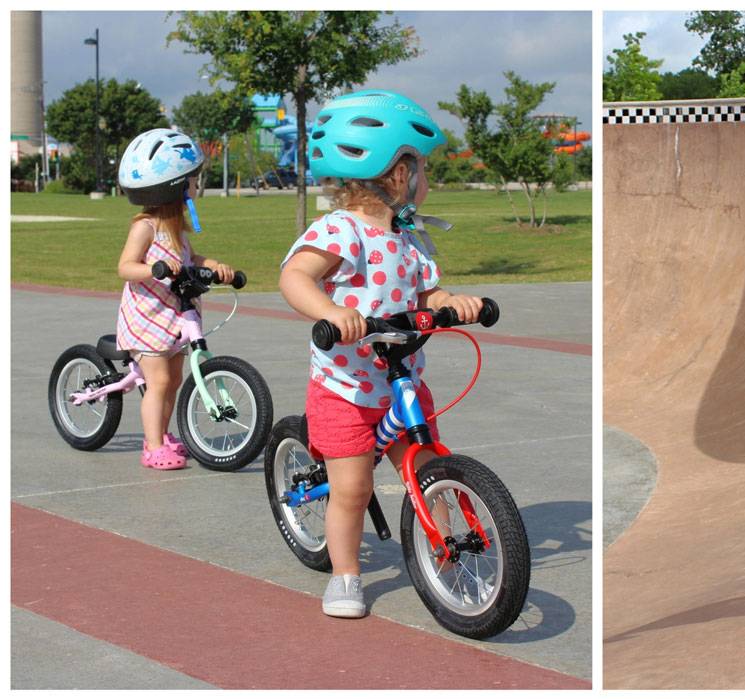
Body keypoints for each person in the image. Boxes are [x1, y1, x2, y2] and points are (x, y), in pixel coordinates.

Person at [279, 90, 483, 619]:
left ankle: (440, 540)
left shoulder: (410, 238)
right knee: (352, 487)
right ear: (395, 172)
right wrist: (329, 311)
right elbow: (294, 275)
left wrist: (450, 304)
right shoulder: (340, 230)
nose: (427, 180)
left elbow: (424, 294)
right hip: (344, 389)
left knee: (434, 466)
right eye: (421, 168)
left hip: (403, 381)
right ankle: (345, 575)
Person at [116, 128, 234, 470]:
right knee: (160, 381)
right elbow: (125, 267)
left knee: (175, 378)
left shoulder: (176, 228)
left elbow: (191, 260)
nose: (196, 186)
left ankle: (163, 435)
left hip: (176, 314)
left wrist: (213, 266)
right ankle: (152, 446)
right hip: (147, 316)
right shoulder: (146, 227)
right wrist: (154, 269)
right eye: (193, 180)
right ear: (177, 186)